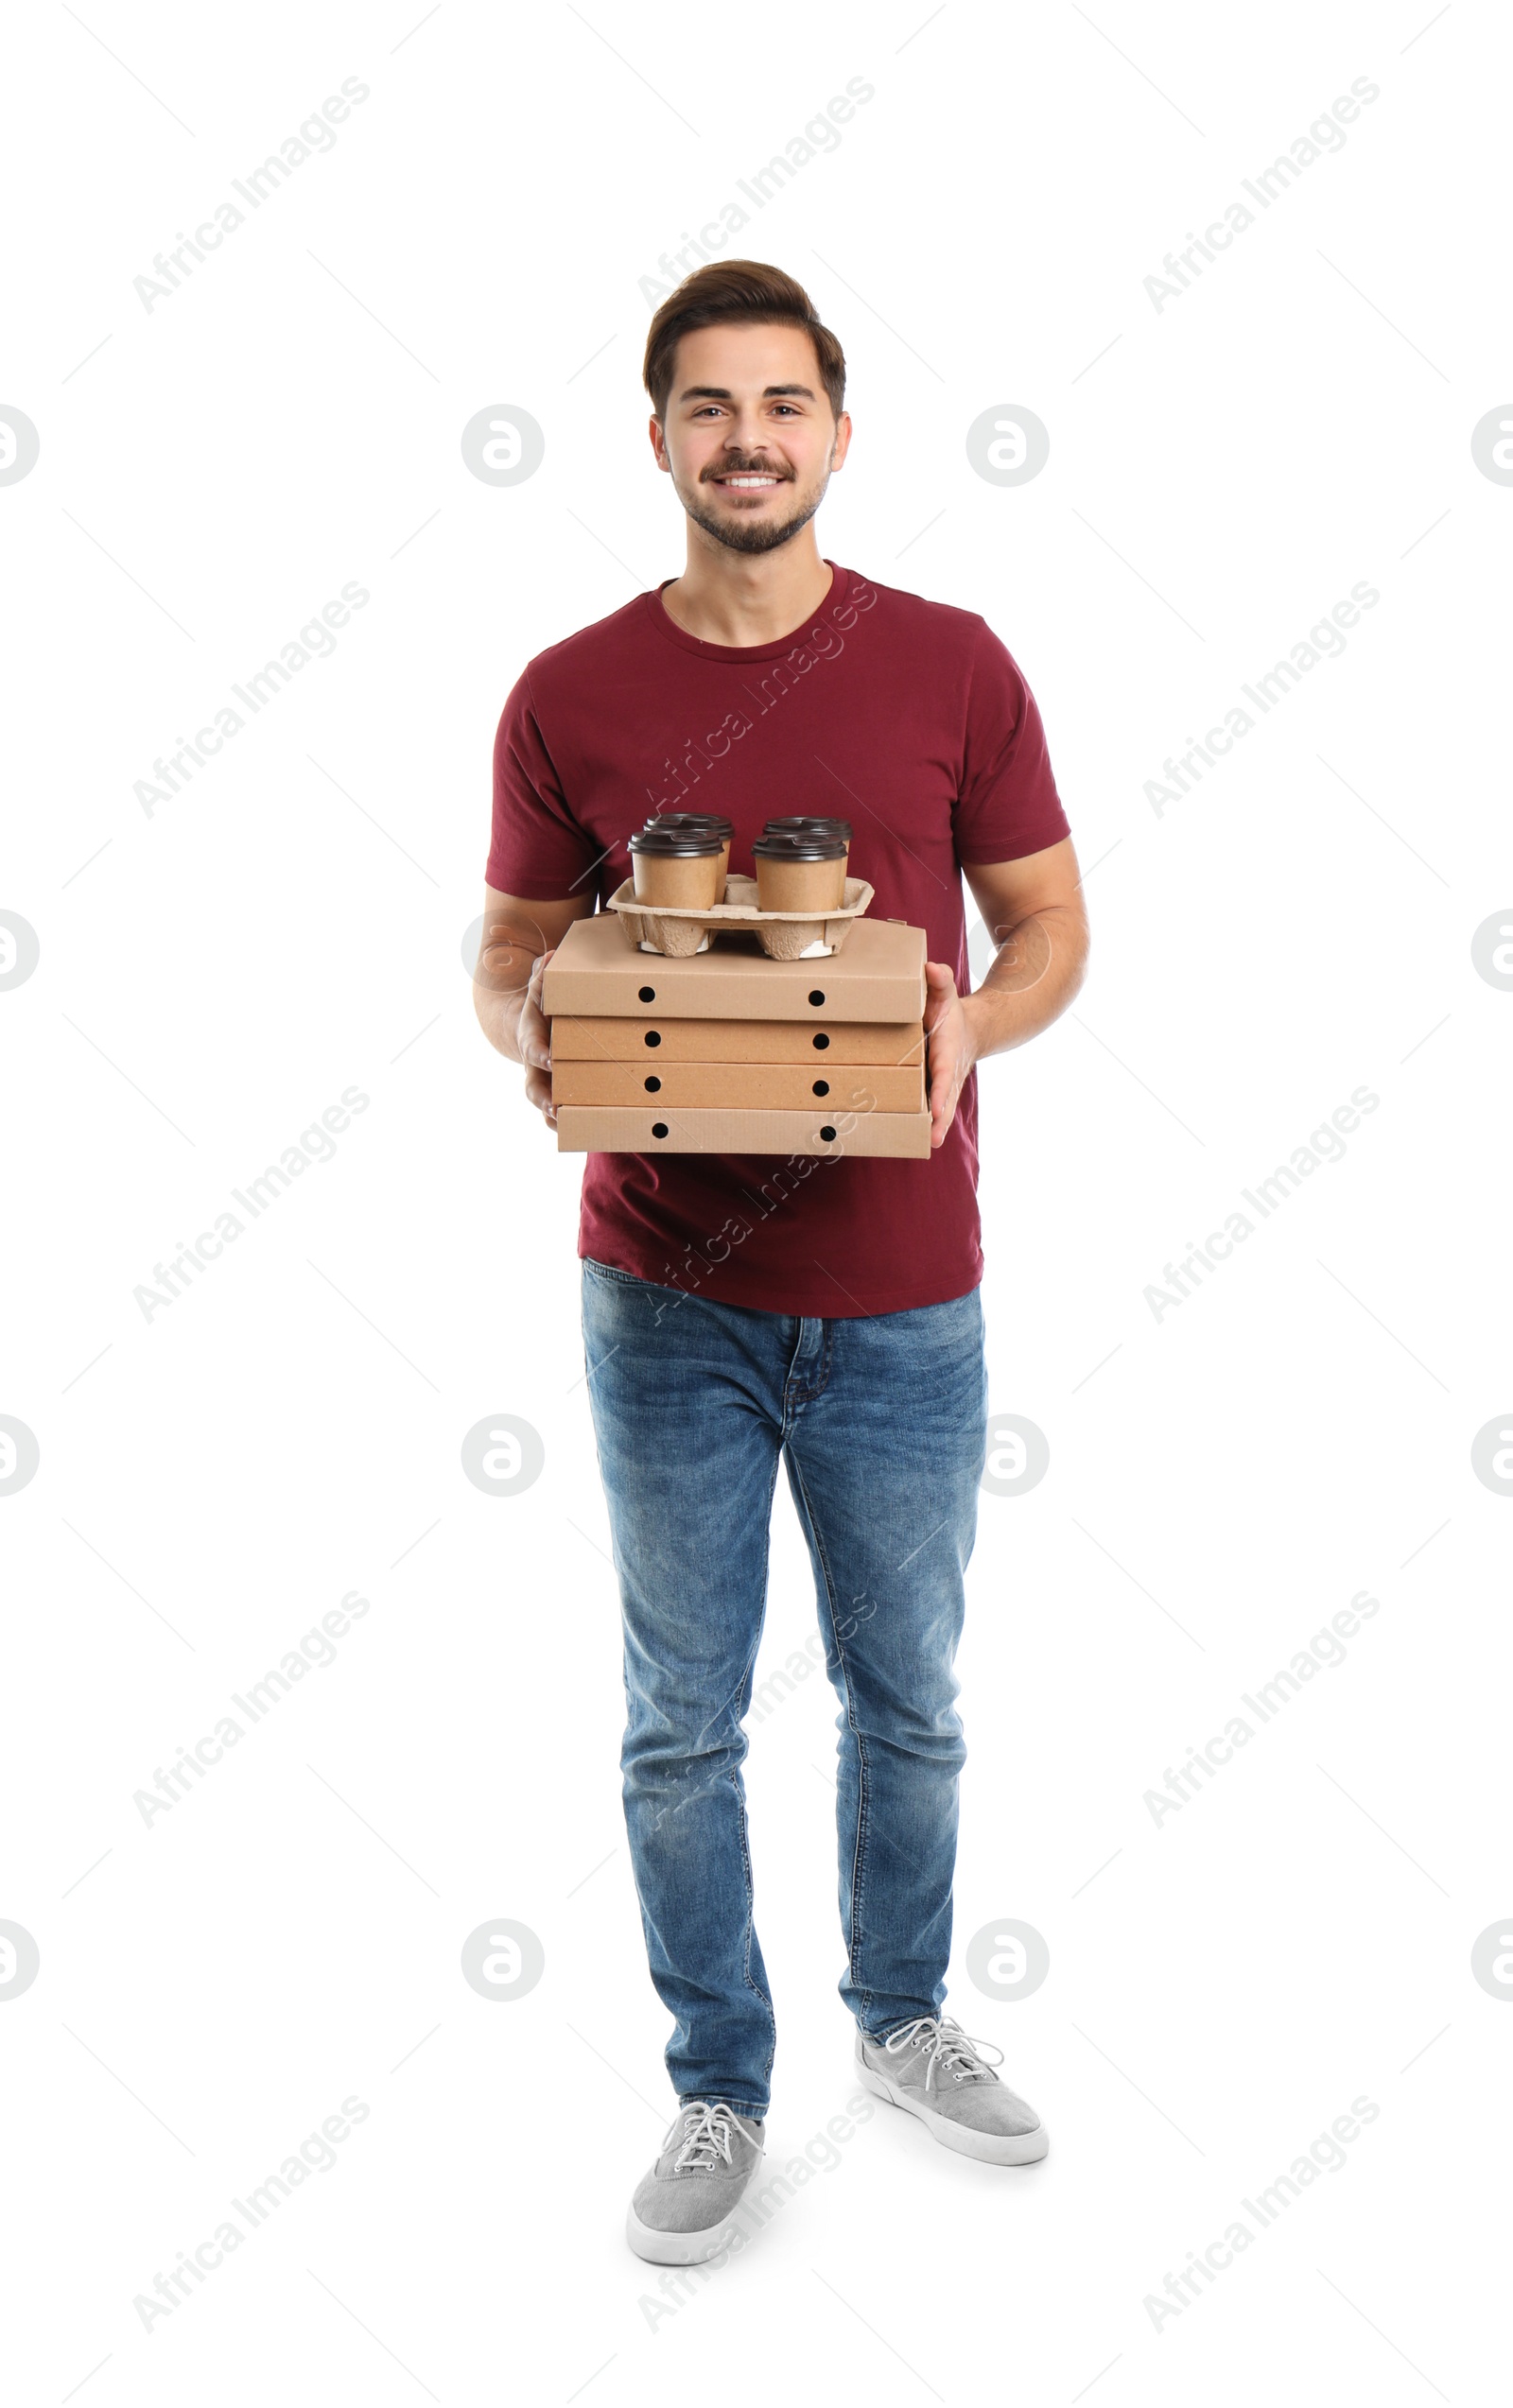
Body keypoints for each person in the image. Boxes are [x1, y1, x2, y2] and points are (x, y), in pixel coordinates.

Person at [474, 262, 1088, 2264]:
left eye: (782, 403)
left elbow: (1049, 931)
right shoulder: (567, 692)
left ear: (835, 429)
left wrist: (966, 1029)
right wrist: (550, 1033)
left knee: (904, 1692)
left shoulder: (954, 664)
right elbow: (498, 963)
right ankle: (716, 2078)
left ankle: (899, 2017)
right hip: (662, 1295)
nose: (747, 437)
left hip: (906, 1283)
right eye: (707, 405)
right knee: (681, 1712)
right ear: (655, 436)